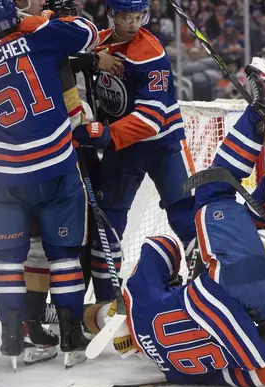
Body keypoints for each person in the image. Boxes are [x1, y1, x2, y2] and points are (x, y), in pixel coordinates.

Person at [83, 61, 265, 387]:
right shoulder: (146, 319)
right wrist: (122, 306)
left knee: (216, 193)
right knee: (216, 232)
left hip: (238, 284)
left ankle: (262, 112)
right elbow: (159, 249)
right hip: (220, 289)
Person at [0, 0, 100, 369]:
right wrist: (35, 22)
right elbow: (89, 32)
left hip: (2, 179)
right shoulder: (42, 34)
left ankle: (13, 339)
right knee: (66, 256)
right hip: (56, 168)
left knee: (8, 261)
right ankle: (71, 338)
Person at [72, 0, 197, 303]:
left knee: (183, 215)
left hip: (161, 146)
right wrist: (87, 62)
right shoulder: (98, 44)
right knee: (108, 223)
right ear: (111, 14)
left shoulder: (149, 52)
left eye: (137, 16)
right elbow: (62, 61)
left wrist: (103, 133)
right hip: (123, 150)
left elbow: (151, 120)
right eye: (125, 17)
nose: (131, 24)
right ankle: (106, 302)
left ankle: (205, 284)